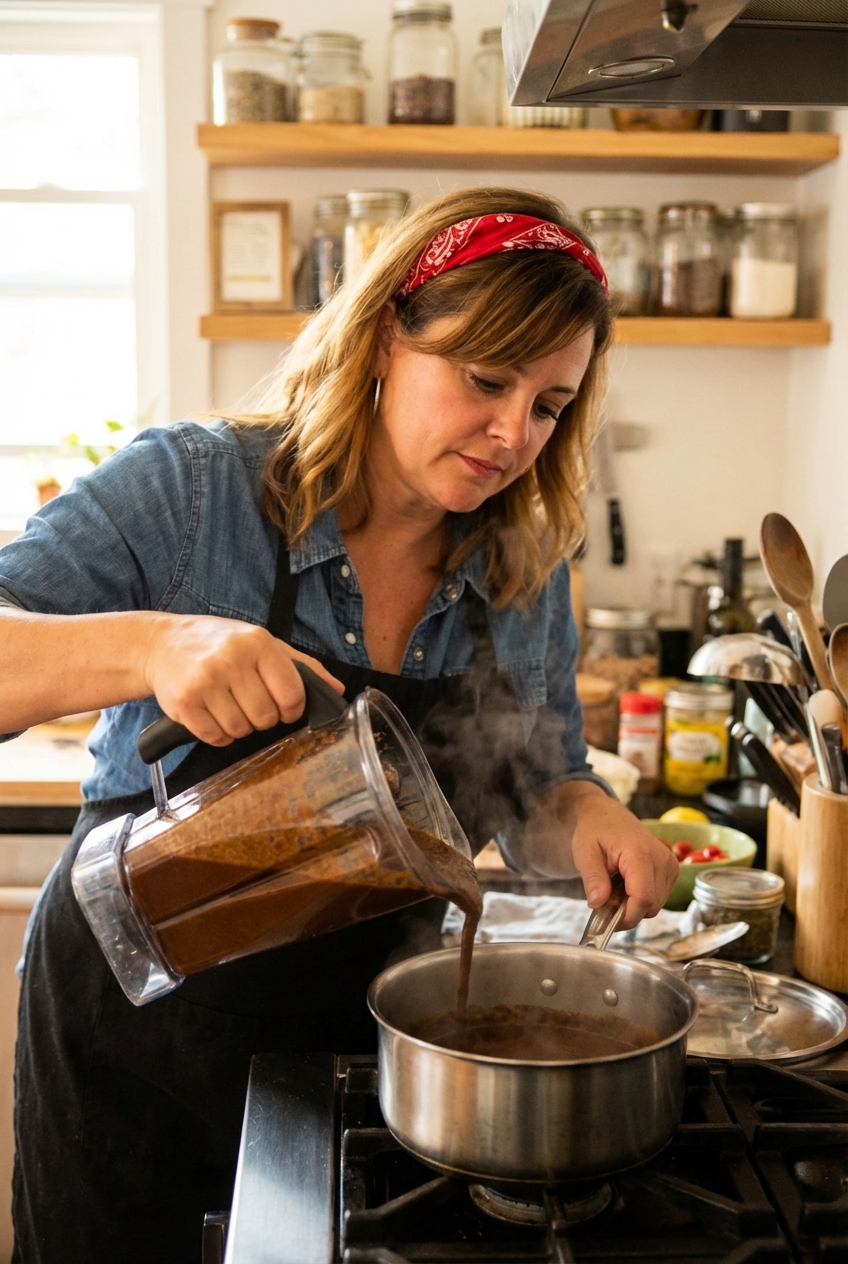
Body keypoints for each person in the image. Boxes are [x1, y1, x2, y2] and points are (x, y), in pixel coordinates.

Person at [0, 186, 677, 1262]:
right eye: (484, 380)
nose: (512, 435)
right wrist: (154, 648)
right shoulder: (193, 491)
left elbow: (533, 785)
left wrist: (588, 812)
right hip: (137, 1038)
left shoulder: (522, 561)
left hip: (360, 1057)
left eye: (549, 405)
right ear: (379, 339)